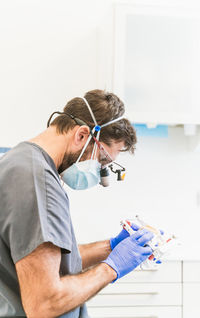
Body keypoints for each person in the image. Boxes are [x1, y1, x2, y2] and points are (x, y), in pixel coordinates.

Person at [0, 89, 154, 318]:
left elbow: (47, 262)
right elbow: (44, 304)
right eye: (102, 161)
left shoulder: (22, 162)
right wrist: (112, 268)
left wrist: (111, 247)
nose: (103, 178)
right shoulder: (36, 180)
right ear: (82, 135)